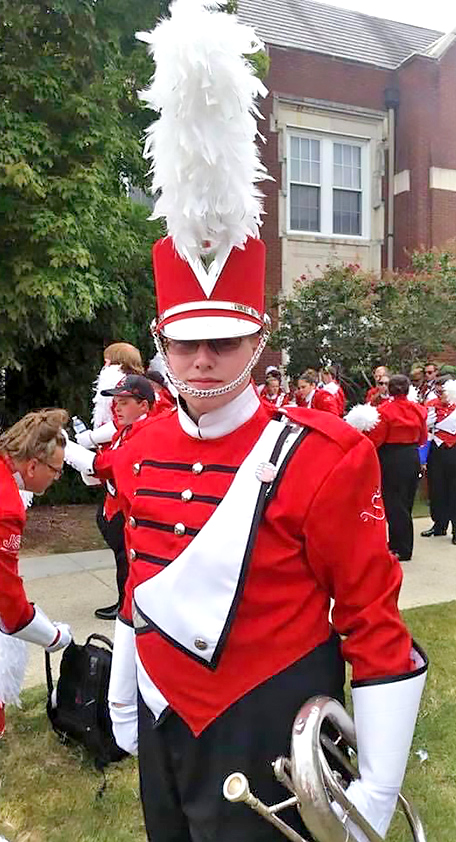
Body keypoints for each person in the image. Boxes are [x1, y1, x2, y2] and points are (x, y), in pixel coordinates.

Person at [108, 4, 428, 842]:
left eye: (223, 341)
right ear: (161, 343)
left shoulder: (326, 458)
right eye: (185, 343)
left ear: (260, 335)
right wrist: (126, 679)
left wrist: (373, 798)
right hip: (166, 718)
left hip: (272, 716)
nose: (202, 360)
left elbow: (376, 632)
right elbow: (144, 584)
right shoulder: (136, 450)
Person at [0, 409, 72, 736]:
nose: (57, 478)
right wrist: (52, 637)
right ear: (32, 466)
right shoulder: (7, 507)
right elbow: (9, 604)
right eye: (56, 471)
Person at [66, 375, 158, 620]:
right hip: (120, 513)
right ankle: (124, 606)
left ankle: (128, 609)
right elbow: (99, 475)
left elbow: (102, 465)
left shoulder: (146, 432)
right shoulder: (124, 432)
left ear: (144, 406)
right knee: (123, 563)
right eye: (115, 401)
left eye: (124, 401)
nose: (116, 406)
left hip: (139, 520)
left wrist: (62, 446)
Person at [76, 343, 145, 619]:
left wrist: (86, 444)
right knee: (115, 534)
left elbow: (124, 426)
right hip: (114, 477)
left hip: (129, 478)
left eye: (108, 360)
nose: (104, 365)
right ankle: (124, 599)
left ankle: (126, 603)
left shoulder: (139, 386)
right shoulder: (125, 385)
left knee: (123, 542)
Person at [348, 376, 427, 562]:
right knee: (406, 501)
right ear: (407, 390)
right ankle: (401, 544)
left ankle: (401, 547)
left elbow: (377, 439)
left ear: (390, 390)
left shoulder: (384, 411)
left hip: (392, 457)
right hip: (412, 454)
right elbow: (423, 438)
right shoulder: (419, 410)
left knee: (394, 503)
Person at [421, 376, 456, 542]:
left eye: (443, 391)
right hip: (436, 451)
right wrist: (426, 424)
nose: (440, 394)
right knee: (436, 489)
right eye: (438, 391)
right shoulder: (431, 406)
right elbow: (423, 430)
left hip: (454, 450)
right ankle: (439, 525)